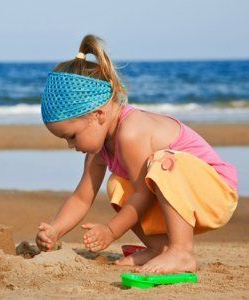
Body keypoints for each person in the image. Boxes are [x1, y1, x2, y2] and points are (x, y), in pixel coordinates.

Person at [35, 34, 238, 274]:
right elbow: (82, 197)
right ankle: (161, 248)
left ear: (98, 115)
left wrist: (110, 231)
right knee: (118, 185)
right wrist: (55, 230)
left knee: (163, 162)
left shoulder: (131, 132)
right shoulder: (100, 147)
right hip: (180, 196)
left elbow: (143, 194)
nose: (70, 145)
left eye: (72, 136)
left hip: (214, 192)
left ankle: (181, 251)